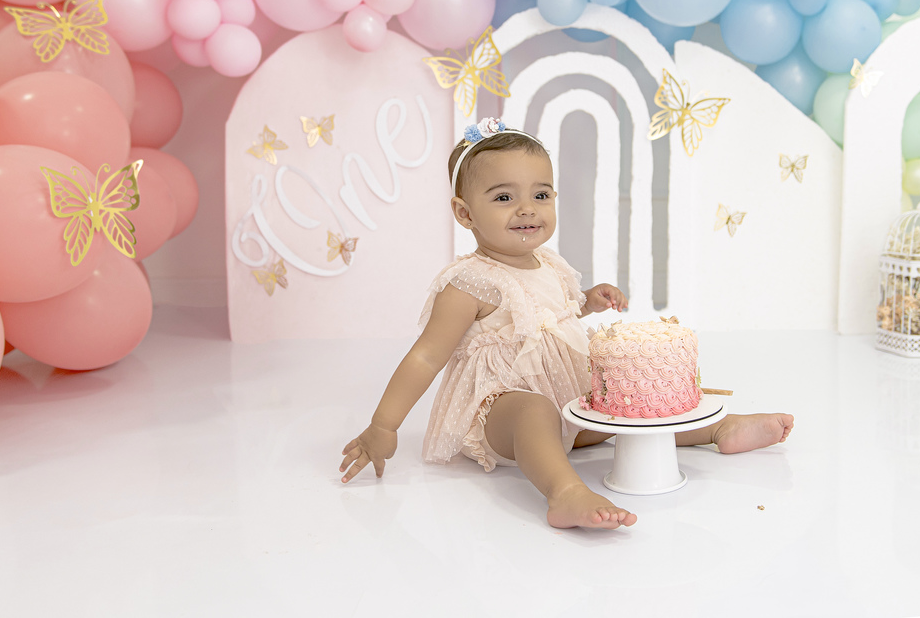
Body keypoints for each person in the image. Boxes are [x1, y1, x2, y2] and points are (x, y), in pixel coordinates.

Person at [339, 118, 793, 530]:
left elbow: (550, 319)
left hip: (567, 402)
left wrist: (587, 302)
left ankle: (716, 429)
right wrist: (384, 425)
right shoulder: (469, 282)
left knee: (623, 401)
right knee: (534, 412)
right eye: (504, 197)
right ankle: (565, 492)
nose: (527, 209)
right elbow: (426, 356)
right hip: (504, 413)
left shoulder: (549, 263)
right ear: (465, 213)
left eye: (540, 195)